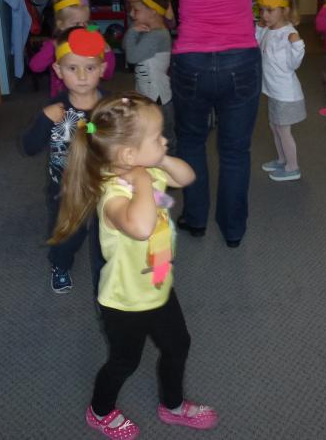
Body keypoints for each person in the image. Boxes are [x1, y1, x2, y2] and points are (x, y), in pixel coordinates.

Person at [123, 0, 309, 248]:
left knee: (191, 143)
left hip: (191, 63)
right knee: (235, 150)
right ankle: (233, 228)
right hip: (241, 61)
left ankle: (195, 218)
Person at [52, 92, 219, 437]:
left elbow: (187, 177)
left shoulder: (149, 169)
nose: (165, 141)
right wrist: (143, 179)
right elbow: (141, 228)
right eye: (158, 138)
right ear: (129, 154)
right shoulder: (113, 195)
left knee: (178, 345)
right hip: (124, 301)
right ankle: (100, 411)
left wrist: (160, 158)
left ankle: (172, 405)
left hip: (158, 286)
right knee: (125, 361)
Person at [22, 27, 108, 293]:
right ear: (58, 71)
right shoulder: (55, 109)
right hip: (65, 188)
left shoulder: (110, 109)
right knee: (68, 232)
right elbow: (29, 147)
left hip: (105, 186)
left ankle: (109, 275)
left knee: (107, 233)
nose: (82, 76)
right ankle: (60, 264)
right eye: (72, 68)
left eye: (90, 68)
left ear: (102, 68)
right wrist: (44, 120)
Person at [255, 0, 306, 181]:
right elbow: (258, 45)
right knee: (274, 127)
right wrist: (259, 28)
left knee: (284, 131)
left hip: (286, 94)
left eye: (269, 10)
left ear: (284, 10)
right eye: (262, 10)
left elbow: (294, 65)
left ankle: (293, 167)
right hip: (273, 91)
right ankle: (282, 159)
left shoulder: (288, 34)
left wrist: (297, 45)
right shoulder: (269, 29)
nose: (264, 15)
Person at [28, 0, 115, 97]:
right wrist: (52, 49)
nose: (82, 27)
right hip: (63, 98)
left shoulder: (92, 41)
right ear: (61, 25)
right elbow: (35, 67)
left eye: (86, 22)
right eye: (76, 23)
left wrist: (107, 52)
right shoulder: (54, 45)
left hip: (90, 96)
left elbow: (107, 74)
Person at [122, 0, 175, 153]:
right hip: (148, 94)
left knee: (163, 139)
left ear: (152, 11)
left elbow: (131, 56)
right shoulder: (149, 31)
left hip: (157, 97)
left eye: (136, 10)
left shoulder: (156, 36)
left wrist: (132, 32)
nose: (131, 14)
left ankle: (167, 163)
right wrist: (134, 31)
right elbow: (126, 46)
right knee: (153, 135)